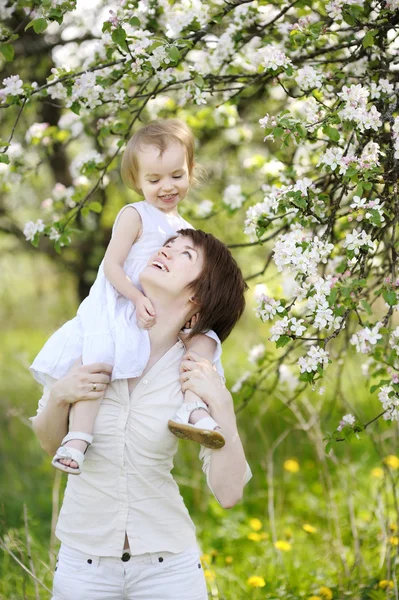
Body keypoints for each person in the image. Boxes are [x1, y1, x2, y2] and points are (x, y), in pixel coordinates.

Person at [31, 229, 251, 600]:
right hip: (83, 566)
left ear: (198, 296)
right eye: (167, 245)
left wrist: (223, 408)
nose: (165, 251)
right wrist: (60, 396)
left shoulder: (197, 370)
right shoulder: (93, 337)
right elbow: (51, 443)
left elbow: (228, 494)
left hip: (170, 570)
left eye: (185, 254)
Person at [30, 119, 227, 476]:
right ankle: (78, 436)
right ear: (137, 181)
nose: (167, 187)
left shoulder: (185, 230)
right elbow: (112, 267)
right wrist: (136, 299)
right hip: (118, 304)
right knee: (99, 364)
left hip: (155, 314)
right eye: (154, 180)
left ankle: (194, 408)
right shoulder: (135, 215)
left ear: (191, 171)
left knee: (206, 341)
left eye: (176, 175)